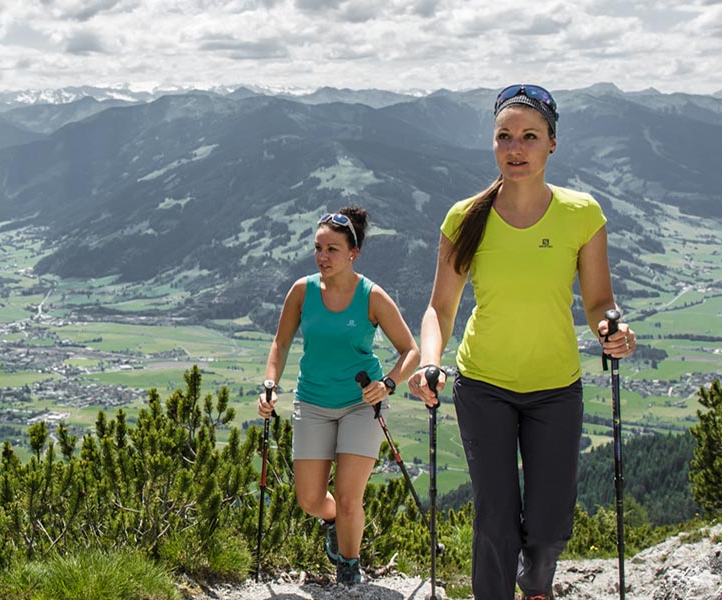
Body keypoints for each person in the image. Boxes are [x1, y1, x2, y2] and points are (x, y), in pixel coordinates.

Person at [405, 84, 638, 600]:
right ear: (492, 144)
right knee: (496, 521)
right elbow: (439, 309)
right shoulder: (466, 218)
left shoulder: (583, 215)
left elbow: (600, 301)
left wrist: (611, 329)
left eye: (529, 136)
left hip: (557, 387)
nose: (516, 148)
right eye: (505, 136)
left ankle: (536, 584)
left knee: (551, 524)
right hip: (483, 384)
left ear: (552, 143)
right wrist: (430, 362)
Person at [256, 205, 420, 585]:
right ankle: (332, 522)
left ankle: (349, 568)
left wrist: (389, 383)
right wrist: (270, 384)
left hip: (361, 405)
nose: (322, 257)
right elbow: (280, 344)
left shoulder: (372, 296)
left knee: (349, 499)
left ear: (353, 253)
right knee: (310, 500)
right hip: (312, 401)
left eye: (332, 249)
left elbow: (411, 351)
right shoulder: (302, 291)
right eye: (318, 248)